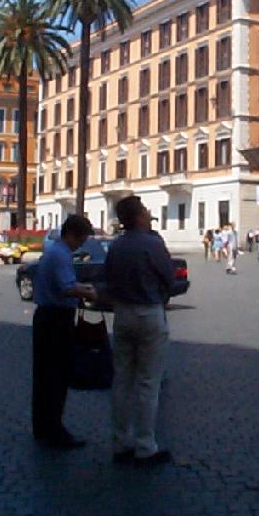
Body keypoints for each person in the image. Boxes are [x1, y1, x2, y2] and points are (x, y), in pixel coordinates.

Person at [105, 195, 176, 465]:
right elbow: (168, 278)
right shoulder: (153, 243)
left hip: (122, 313)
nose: (149, 214)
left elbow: (108, 280)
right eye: (146, 211)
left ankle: (120, 442)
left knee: (122, 380)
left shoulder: (116, 246)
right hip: (148, 313)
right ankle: (145, 445)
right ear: (137, 217)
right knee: (148, 381)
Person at [31, 215, 97, 449]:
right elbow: (67, 288)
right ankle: (53, 428)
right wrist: (89, 292)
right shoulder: (61, 255)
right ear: (73, 234)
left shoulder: (54, 251)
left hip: (46, 316)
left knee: (43, 375)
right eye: (82, 238)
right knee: (56, 375)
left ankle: (42, 425)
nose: (83, 243)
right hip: (56, 319)